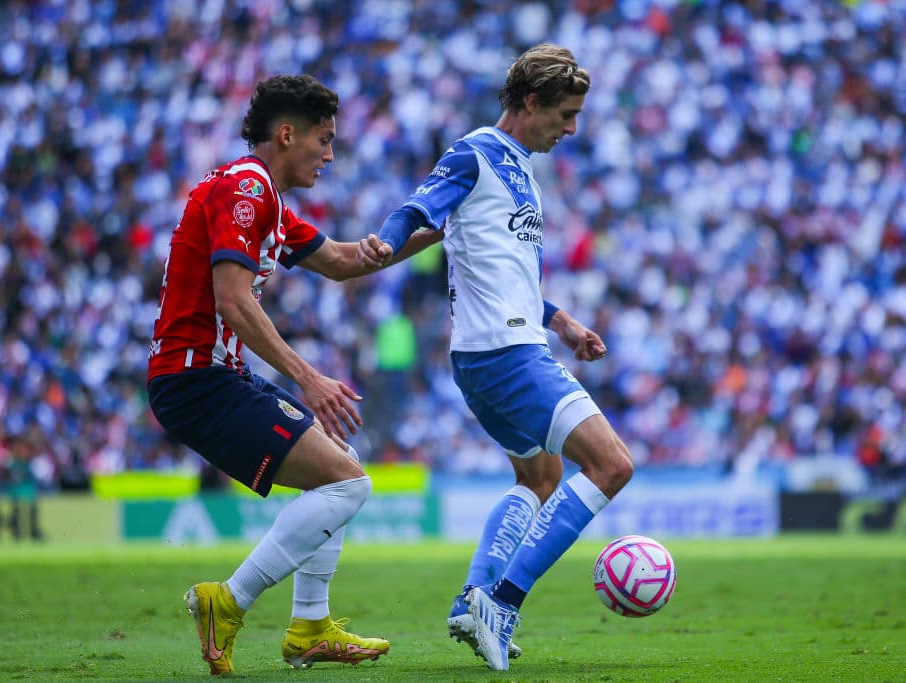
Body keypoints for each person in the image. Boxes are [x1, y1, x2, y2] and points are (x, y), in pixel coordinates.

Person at [147, 74, 432, 675]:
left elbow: (343, 261)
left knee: (339, 463)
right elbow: (232, 300)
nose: (329, 155)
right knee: (349, 483)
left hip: (212, 374)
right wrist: (309, 376)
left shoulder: (267, 200)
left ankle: (309, 628)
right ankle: (229, 601)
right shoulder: (246, 189)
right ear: (286, 134)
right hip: (196, 379)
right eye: (323, 141)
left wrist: (438, 231)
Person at [362, 44, 634, 671]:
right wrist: (387, 243)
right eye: (565, 115)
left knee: (539, 479)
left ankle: (473, 597)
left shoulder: (522, 170)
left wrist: (563, 323)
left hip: (496, 351)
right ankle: (502, 603)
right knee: (612, 465)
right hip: (505, 355)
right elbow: (416, 209)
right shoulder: (475, 153)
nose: (572, 129)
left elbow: (509, 277)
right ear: (531, 102)